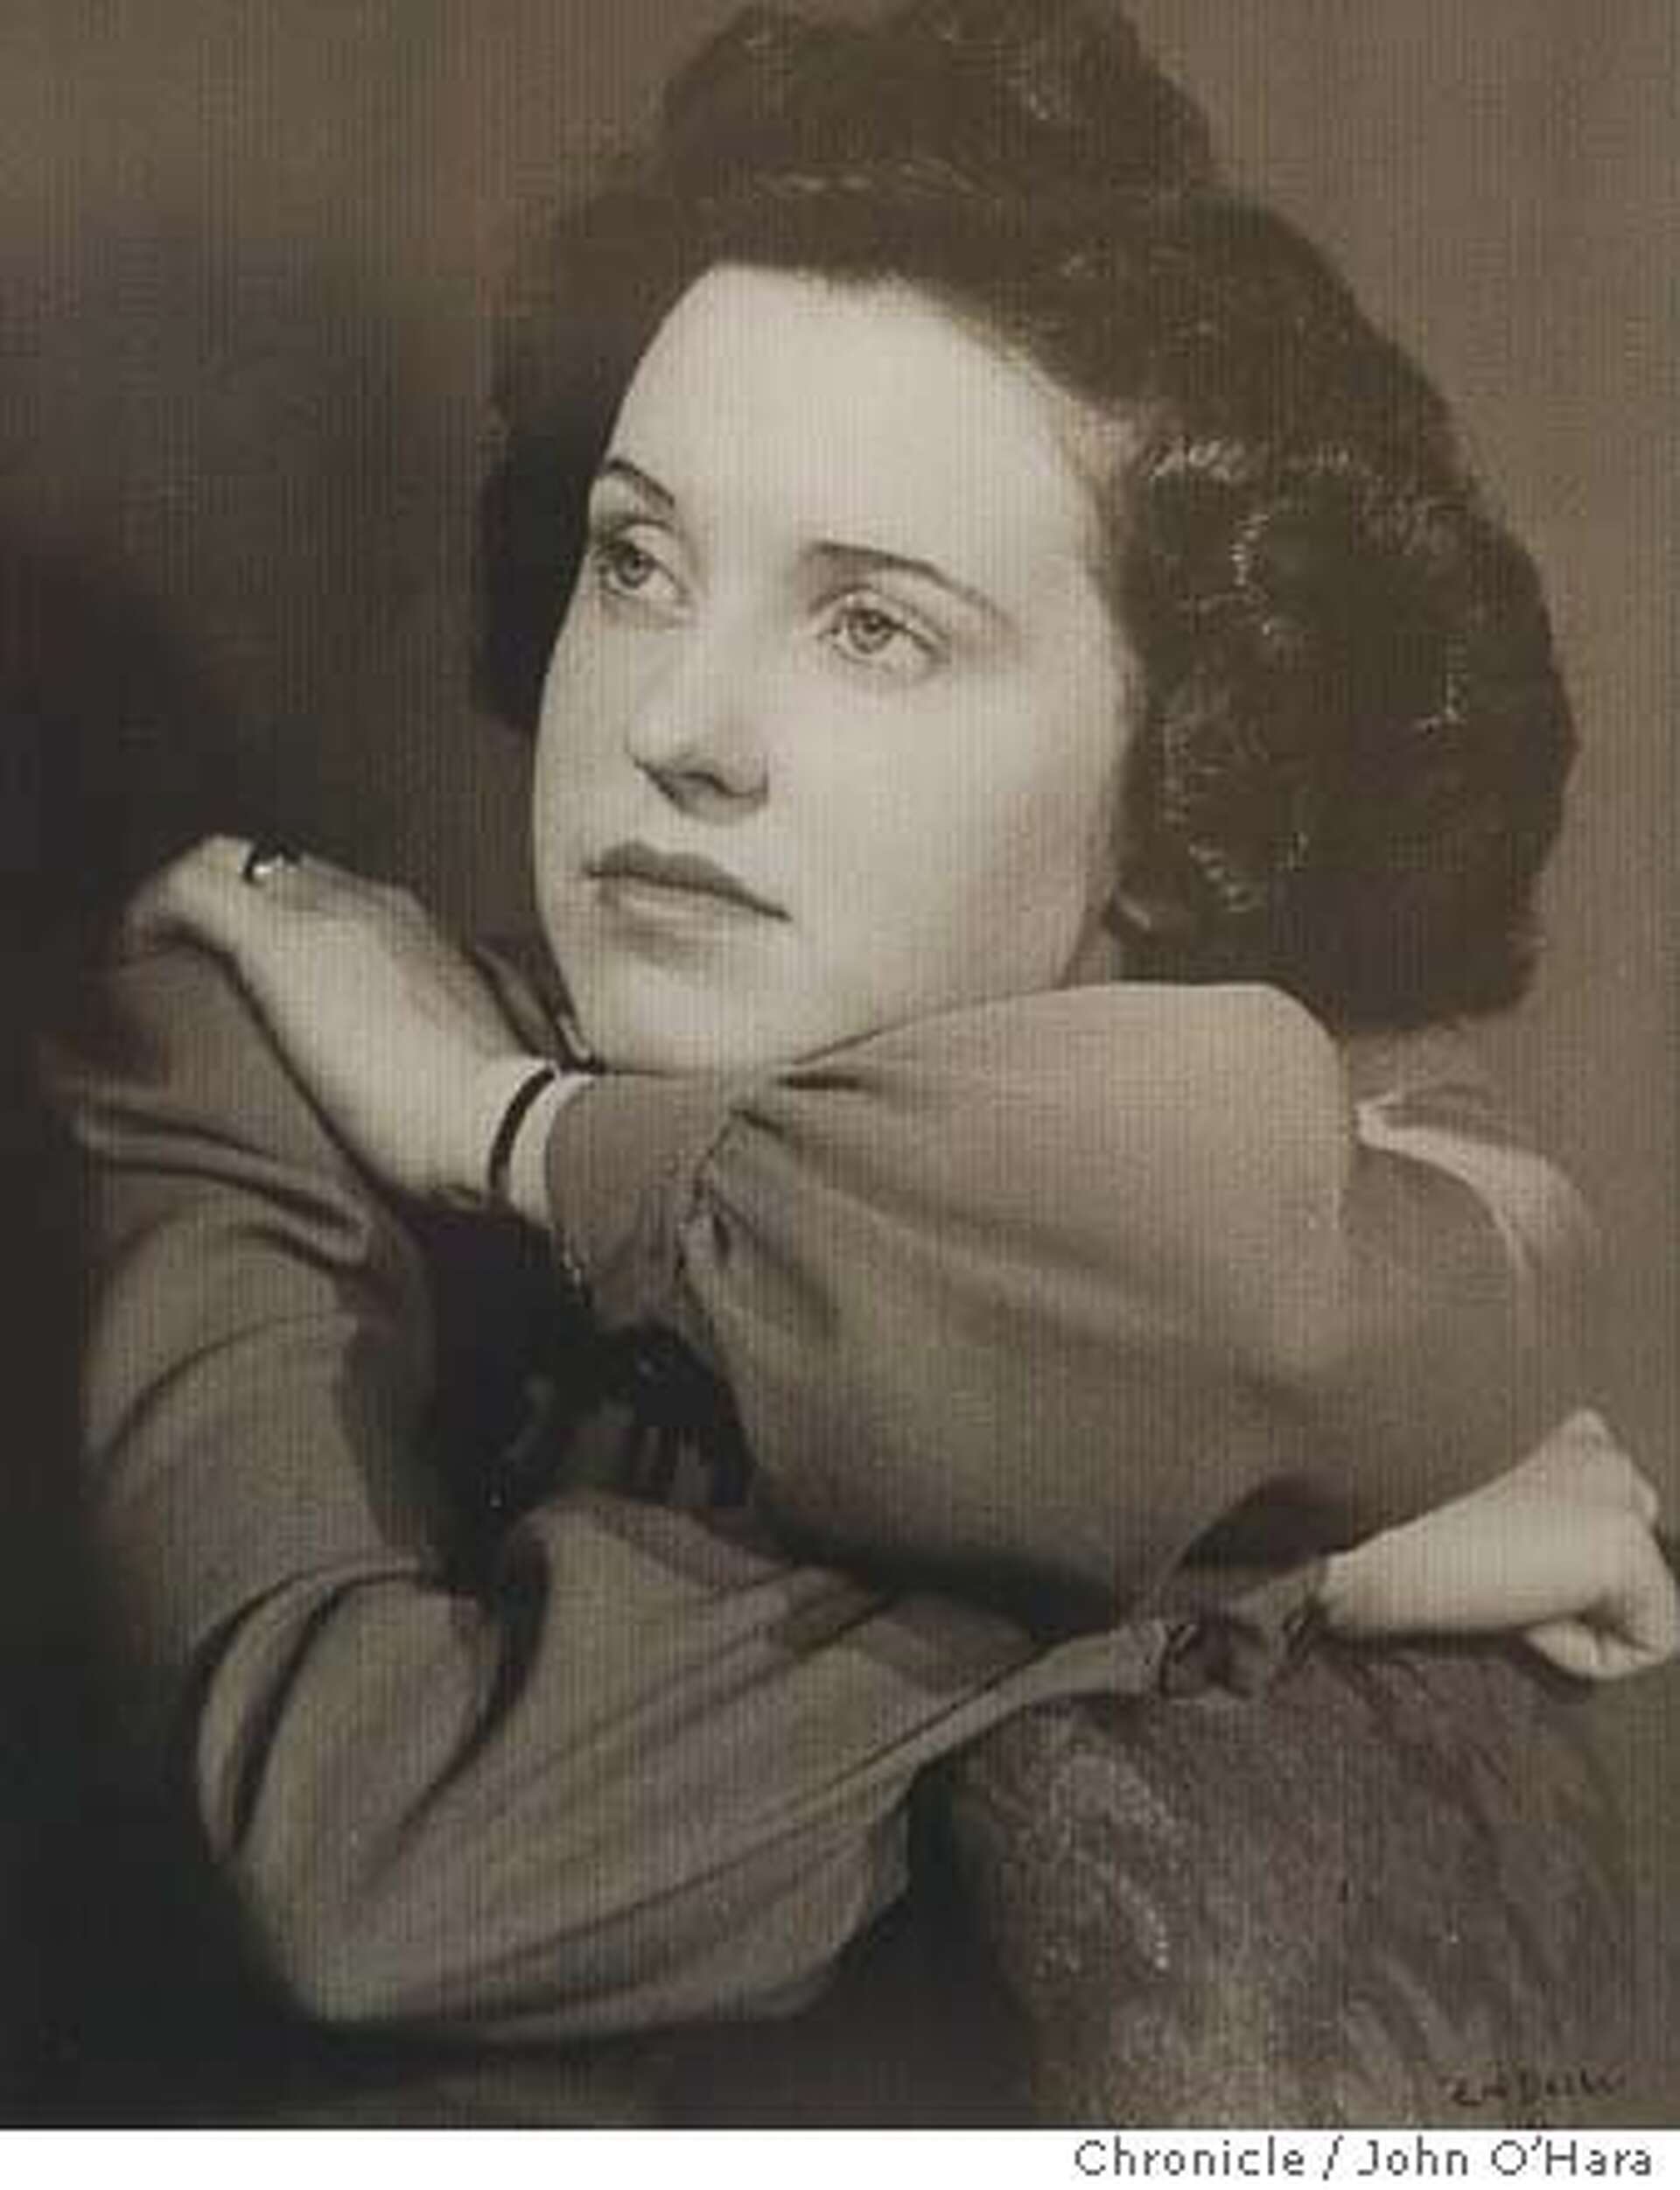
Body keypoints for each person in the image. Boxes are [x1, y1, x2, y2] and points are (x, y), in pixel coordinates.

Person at [44, 0, 1675, 2121]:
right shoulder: (253, 1036)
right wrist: (1270, 1560)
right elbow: (371, 1855)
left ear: (1179, 791)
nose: (676, 725)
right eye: (638, 561)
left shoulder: (1266, 1195)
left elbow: (1480, 1262)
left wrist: (524, 1136)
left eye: (873, 625)